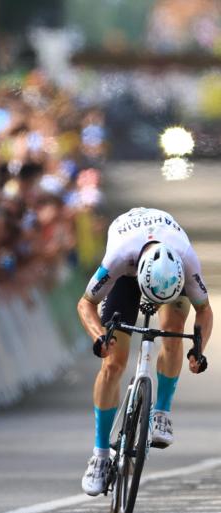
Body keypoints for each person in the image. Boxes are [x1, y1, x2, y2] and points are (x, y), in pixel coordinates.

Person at [77, 207, 213, 496]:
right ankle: (100, 455)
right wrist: (99, 337)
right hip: (128, 274)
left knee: (175, 329)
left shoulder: (186, 260)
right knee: (113, 363)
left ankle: (161, 410)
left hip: (167, 270)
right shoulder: (118, 259)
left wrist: (198, 350)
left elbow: (204, 310)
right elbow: (85, 304)